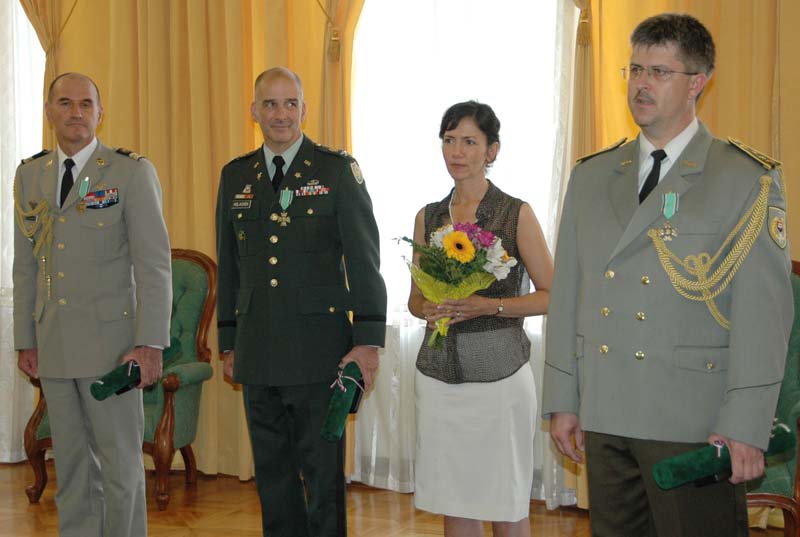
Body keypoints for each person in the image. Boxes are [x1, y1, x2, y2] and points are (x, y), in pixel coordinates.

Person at [543, 13, 793, 537]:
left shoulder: (743, 177)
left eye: (659, 72)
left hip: (693, 420)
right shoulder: (591, 176)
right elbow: (567, 295)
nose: (641, 83)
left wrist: (746, 423)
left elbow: (763, 317)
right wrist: (563, 399)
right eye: (635, 69)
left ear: (697, 82)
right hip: (607, 409)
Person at [215, 66, 387, 537]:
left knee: (323, 479)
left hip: (320, 353)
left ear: (304, 109)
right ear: (254, 111)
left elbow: (364, 260)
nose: (281, 114)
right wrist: (229, 341)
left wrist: (367, 342)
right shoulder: (236, 176)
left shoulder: (335, 170)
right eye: (270, 104)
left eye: (290, 103)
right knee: (273, 479)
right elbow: (230, 264)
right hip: (258, 349)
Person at [13, 72, 172, 537]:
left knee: (121, 469)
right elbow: (26, 265)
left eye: (86, 104)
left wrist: (150, 344)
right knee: (72, 470)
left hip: (113, 350)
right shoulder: (30, 175)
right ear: (49, 112)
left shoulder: (129, 172)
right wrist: (25, 339)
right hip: (55, 345)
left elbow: (153, 266)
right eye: (65, 103)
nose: (76, 112)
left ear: (101, 113)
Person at [407, 101, 553, 537]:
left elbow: (552, 295)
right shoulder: (429, 216)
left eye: (469, 141)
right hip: (438, 378)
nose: (457, 151)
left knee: (506, 502)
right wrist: (428, 309)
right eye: (449, 140)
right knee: (454, 501)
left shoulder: (515, 213)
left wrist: (490, 306)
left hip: (500, 379)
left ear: (492, 150)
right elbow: (414, 299)